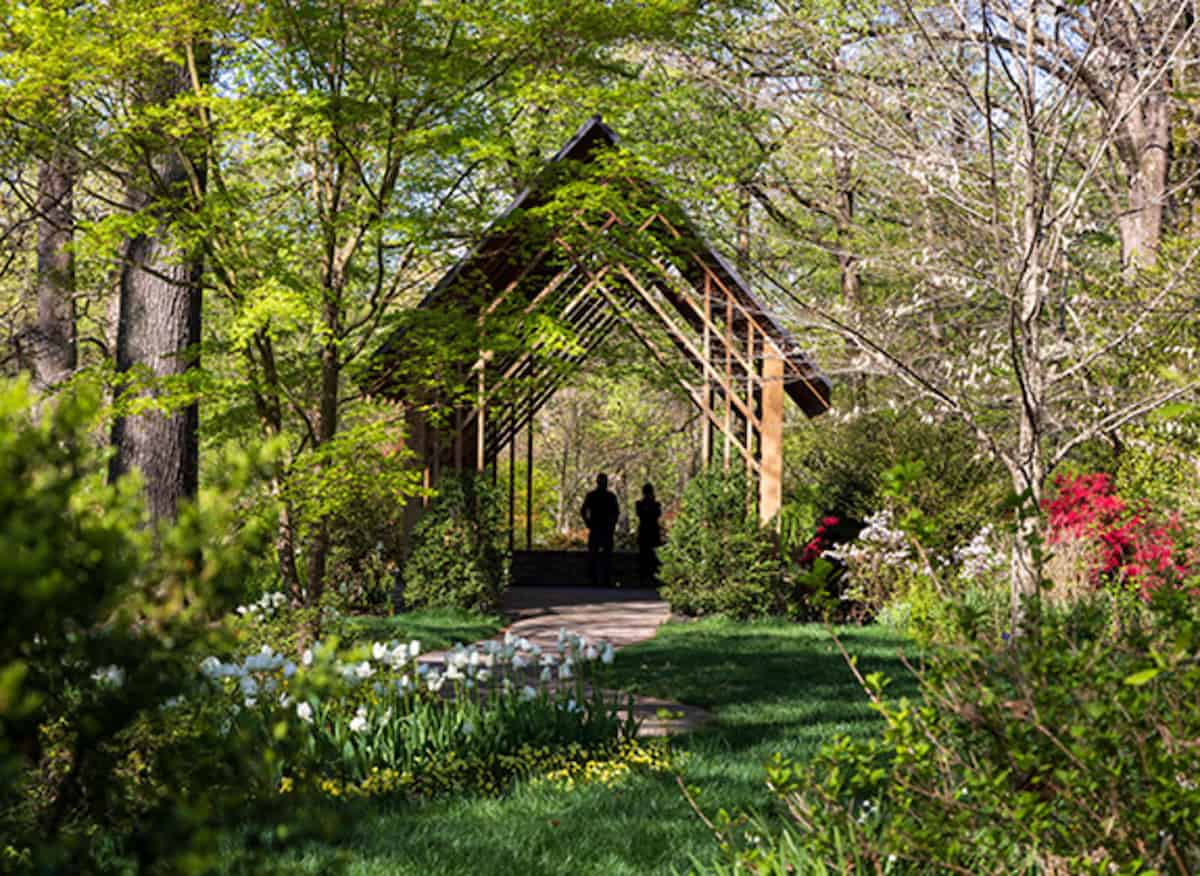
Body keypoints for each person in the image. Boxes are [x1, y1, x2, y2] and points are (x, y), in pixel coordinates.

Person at [581, 473, 619, 587]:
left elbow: (583, 511)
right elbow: (616, 513)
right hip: (601, 528)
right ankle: (601, 579)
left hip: (600, 528)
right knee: (601, 555)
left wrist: (588, 523)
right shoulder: (608, 496)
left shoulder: (594, 496)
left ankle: (597, 580)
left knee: (597, 554)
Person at [635, 483, 663, 587]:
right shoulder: (639, 504)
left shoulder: (656, 504)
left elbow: (656, 514)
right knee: (643, 557)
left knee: (653, 558)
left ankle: (652, 578)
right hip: (645, 533)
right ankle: (644, 579)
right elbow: (641, 514)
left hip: (653, 533)